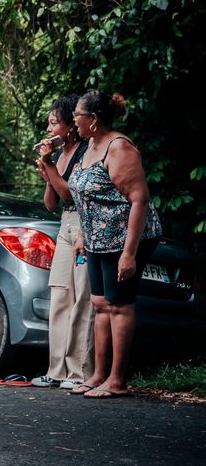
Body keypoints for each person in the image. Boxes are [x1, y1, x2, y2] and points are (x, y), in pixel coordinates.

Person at [67, 92, 162, 399]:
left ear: (93, 119)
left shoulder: (119, 148)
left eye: (78, 116)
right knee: (99, 303)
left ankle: (117, 380)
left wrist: (129, 254)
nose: (74, 121)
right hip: (97, 239)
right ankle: (98, 374)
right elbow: (85, 196)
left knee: (119, 305)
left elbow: (139, 200)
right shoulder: (90, 146)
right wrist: (83, 234)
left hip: (125, 238)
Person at [32, 95, 95, 389]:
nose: (48, 129)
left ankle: (79, 371)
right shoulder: (59, 156)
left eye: (54, 122)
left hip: (84, 225)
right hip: (65, 226)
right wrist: (48, 170)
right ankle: (55, 369)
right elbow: (51, 204)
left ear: (71, 125)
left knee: (81, 297)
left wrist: (51, 169)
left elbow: (71, 195)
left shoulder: (85, 151)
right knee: (60, 296)